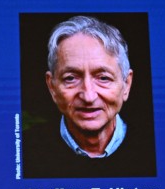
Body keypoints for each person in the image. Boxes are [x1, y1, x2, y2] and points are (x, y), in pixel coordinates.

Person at [21, 15, 156, 178]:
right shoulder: (25, 152)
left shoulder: (156, 147)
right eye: (71, 78)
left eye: (103, 78)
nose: (88, 96)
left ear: (126, 84)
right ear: (52, 87)